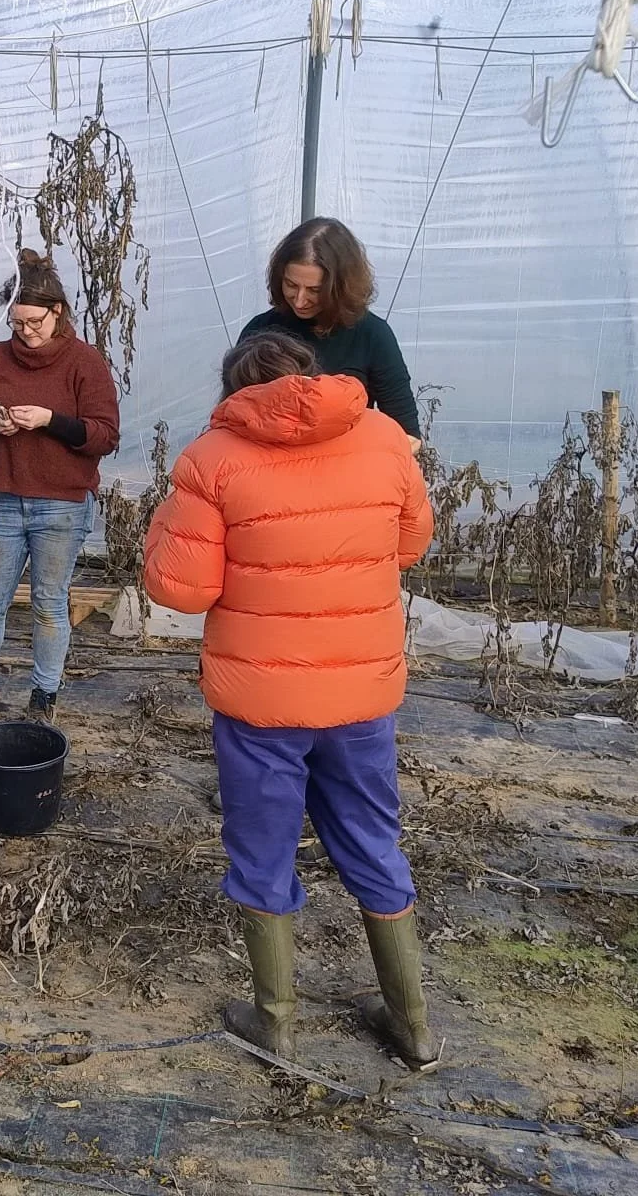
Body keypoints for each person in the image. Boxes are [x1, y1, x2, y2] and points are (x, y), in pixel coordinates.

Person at [142, 332, 438, 1068]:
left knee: (263, 851)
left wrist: (164, 525)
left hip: (260, 699)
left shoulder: (212, 459)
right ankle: (414, 1026)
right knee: (373, 841)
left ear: (236, 389)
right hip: (360, 692)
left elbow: (182, 589)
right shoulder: (385, 439)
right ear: (310, 373)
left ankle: (274, 1021)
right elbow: (410, 545)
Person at [0, 250, 119, 726]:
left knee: (48, 605)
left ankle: (44, 697)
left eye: (34, 322)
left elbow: (104, 435)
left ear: (57, 312)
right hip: (4, 499)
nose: (26, 332)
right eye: (16, 323)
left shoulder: (85, 363)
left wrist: (49, 421)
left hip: (62, 504)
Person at [240, 218, 421, 445]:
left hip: (349, 471)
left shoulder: (372, 335)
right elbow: (231, 414)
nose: (300, 299)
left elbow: (408, 436)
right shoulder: (260, 330)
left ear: (341, 287)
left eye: (315, 290)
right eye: (291, 285)